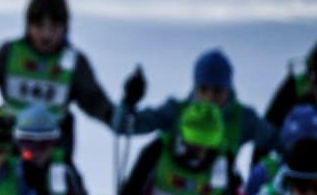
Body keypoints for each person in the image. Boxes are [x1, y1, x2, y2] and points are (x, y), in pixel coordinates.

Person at [0, 0, 130, 162]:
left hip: (53, 147)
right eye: (39, 26)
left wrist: (116, 117)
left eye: (54, 27)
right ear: (28, 25)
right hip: (10, 144)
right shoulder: (11, 53)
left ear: (64, 28)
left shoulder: (74, 62)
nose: (46, 34)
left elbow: (94, 100)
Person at [112, 48, 274, 166]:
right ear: (195, 88)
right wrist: (128, 102)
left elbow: (278, 142)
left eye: (217, 90)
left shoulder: (243, 119)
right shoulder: (175, 112)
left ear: (228, 90)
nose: (210, 97)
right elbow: (124, 126)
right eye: (204, 89)